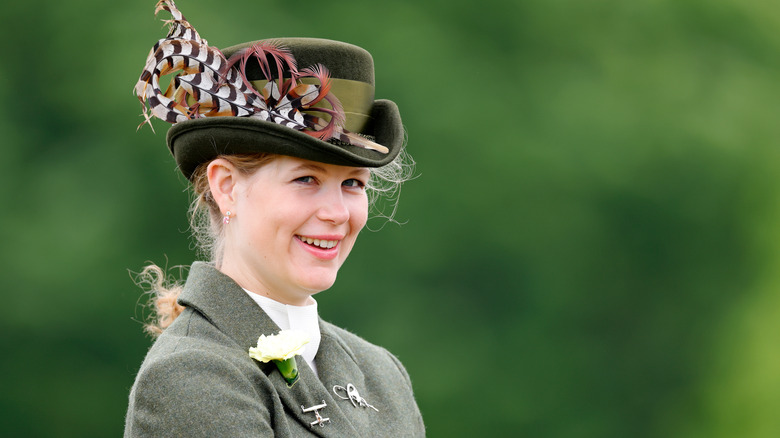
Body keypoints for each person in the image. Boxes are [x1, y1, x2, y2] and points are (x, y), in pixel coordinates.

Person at [124, 1, 425, 436]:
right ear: (227, 187)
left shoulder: (382, 374)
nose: (337, 213)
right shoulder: (191, 378)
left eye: (353, 184)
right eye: (306, 178)